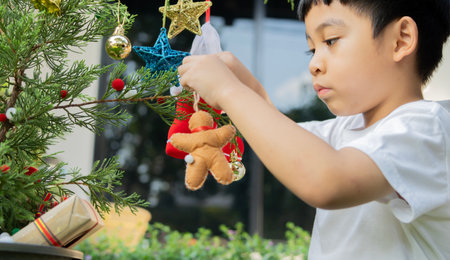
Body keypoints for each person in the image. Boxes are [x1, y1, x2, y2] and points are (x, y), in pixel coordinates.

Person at [178, 0, 450, 259]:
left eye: (330, 41)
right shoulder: (344, 130)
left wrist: (229, 90)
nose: (314, 64)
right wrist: (249, 88)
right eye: (312, 49)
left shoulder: (425, 128)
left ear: (401, 40)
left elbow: (327, 180)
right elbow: (286, 145)